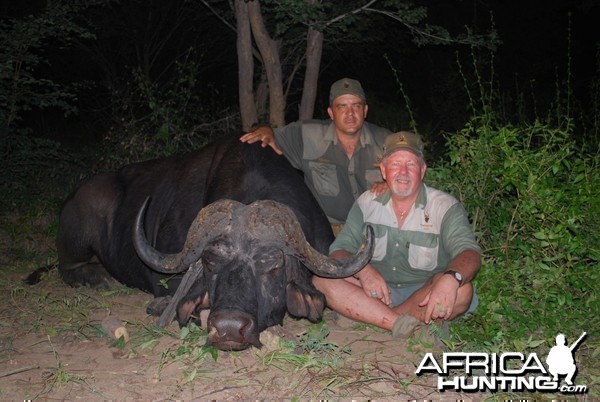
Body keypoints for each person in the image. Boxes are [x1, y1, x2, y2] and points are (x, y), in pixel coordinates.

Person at [312, 131, 482, 338]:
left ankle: (371, 316)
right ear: (383, 170)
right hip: (374, 293)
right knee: (322, 279)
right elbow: (339, 250)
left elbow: (469, 253)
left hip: (423, 293)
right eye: (394, 164)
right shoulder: (366, 203)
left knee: (462, 290)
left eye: (410, 164)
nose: (403, 172)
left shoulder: (445, 206)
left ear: (422, 169)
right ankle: (401, 323)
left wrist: (451, 278)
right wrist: (363, 270)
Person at [240, 78, 391, 226]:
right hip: (327, 231)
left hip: (375, 227)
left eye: (356, 106)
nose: (350, 113)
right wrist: (264, 131)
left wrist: (391, 185)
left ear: (365, 110)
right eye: (342, 106)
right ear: (331, 113)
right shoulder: (307, 135)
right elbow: (269, 134)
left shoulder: (386, 141)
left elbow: (412, 174)